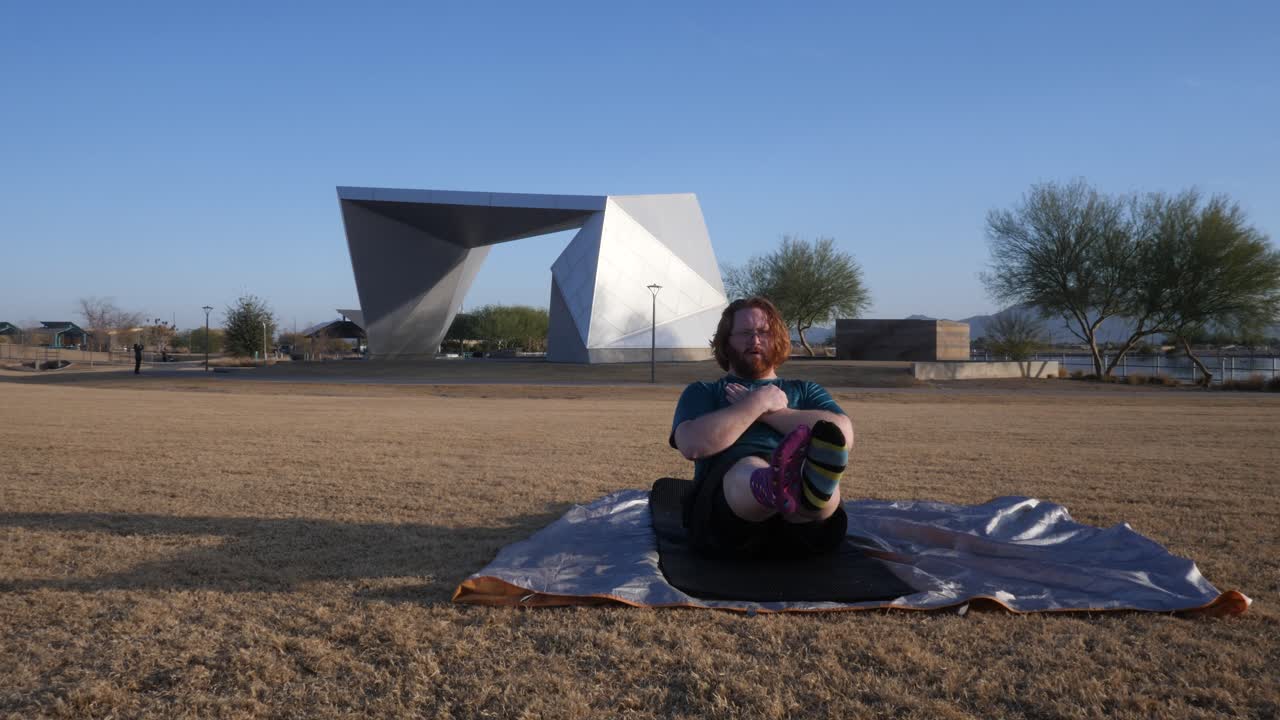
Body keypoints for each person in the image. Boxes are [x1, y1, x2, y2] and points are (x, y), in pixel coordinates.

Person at [670, 297, 854, 560]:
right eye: (745, 333)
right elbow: (692, 444)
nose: (755, 340)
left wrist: (772, 413)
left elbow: (842, 434)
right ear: (726, 341)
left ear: (776, 338)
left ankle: (802, 491)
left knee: (812, 474)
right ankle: (773, 484)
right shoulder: (703, 392)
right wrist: (755, 403)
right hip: (727, 525)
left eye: (763, 332)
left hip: (809, 535)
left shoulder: (805, 390)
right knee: (749, 466)